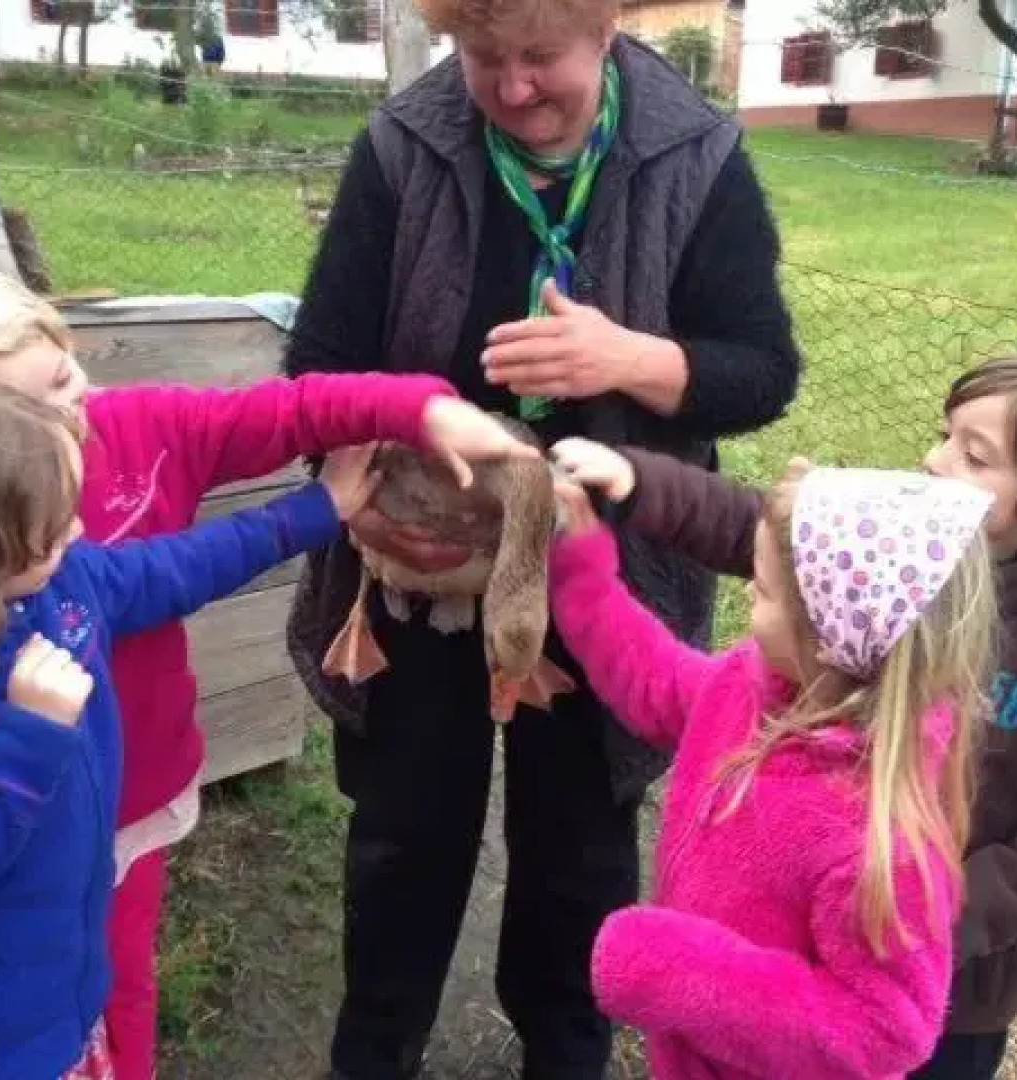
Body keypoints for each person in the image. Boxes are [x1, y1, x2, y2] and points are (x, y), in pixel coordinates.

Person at [281, 0, 800, 1073]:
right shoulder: (403, 147)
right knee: (404, 834)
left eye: (540, 57)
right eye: (484, 58)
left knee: (580, 847)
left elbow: (762, 369)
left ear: (605, 31)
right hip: (426, 566)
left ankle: (567, 1049)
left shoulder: (695, 154)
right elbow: (315, 368)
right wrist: (369, 494)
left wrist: (632, 362)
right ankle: (375, 1050)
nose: (514, 90)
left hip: (604, 573)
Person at [0, 258, 535, 1080]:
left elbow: (212, 519)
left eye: (65, 372)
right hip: (9, 841)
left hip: (133, 787)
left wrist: (421, 410)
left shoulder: (123, 454)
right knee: (21, 992)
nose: (72, 409)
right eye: (26, 408)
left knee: (117, 974)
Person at [0, 371, 387, 1078]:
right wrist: (22, 749)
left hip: (59, 1004)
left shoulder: (59, 588)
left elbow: (182, 565)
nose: (77, 527)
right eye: (53, 523)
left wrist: (320, 507)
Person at [552, 352, 1017, 1080]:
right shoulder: (774, 675)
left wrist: (927, 910)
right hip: (733, 1019)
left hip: (917, 994)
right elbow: (667, 676)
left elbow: (879, 1031)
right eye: (946, 434)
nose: (934, 459)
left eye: (975, 455)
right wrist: (587, 559)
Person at [549, 460, 998, 1078]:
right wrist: (584, 574)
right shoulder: (761, 688)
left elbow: (884, 1031)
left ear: (827, 630)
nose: (744, 594)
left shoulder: (876, 842)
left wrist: (675, 969)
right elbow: (658, 683)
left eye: (761, 589)